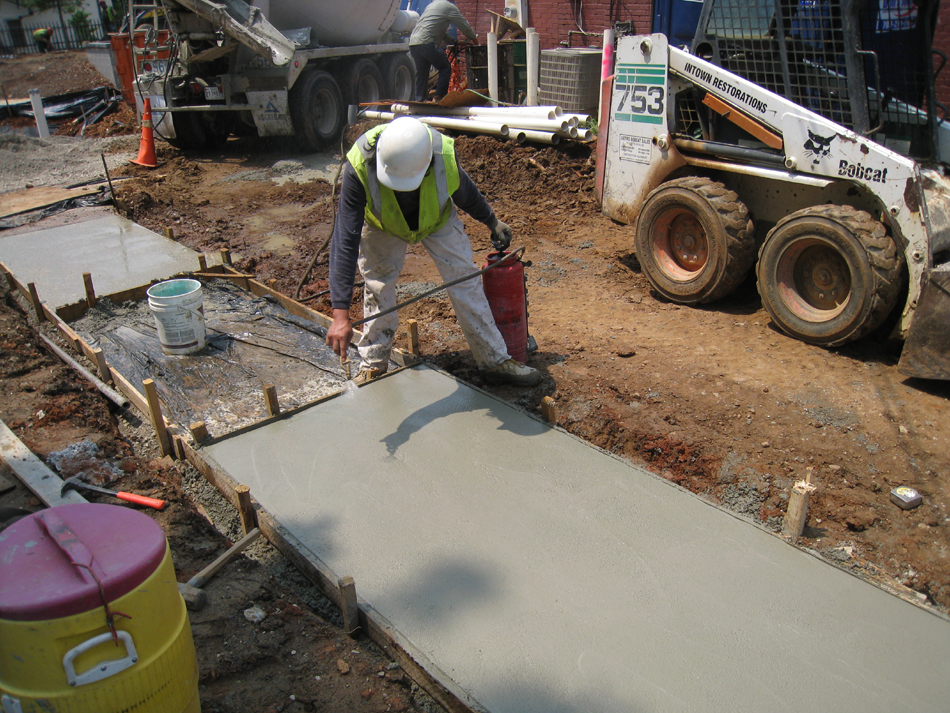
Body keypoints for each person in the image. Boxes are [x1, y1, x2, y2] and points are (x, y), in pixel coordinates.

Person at [325, 117, 542, 388]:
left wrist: (491, 220)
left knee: (465, 280)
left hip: (437, 219)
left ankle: (494, 360)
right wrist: (340, 315)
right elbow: (345, 237)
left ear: (427, 166)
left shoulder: (441, 156)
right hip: (382, 224)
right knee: (378, 286)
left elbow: (464, 191)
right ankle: (374, 363)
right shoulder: (360, 165)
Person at [409, 0, 477, 102]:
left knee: (422, 73)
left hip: (414, 43)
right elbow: (464, 25)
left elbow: (441, 33)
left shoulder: (432, 5)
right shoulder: (449, 7)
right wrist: (475, 39)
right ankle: (439, 97)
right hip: (427, 42)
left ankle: (419, 100)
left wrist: (454, 41)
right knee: (445, 67)